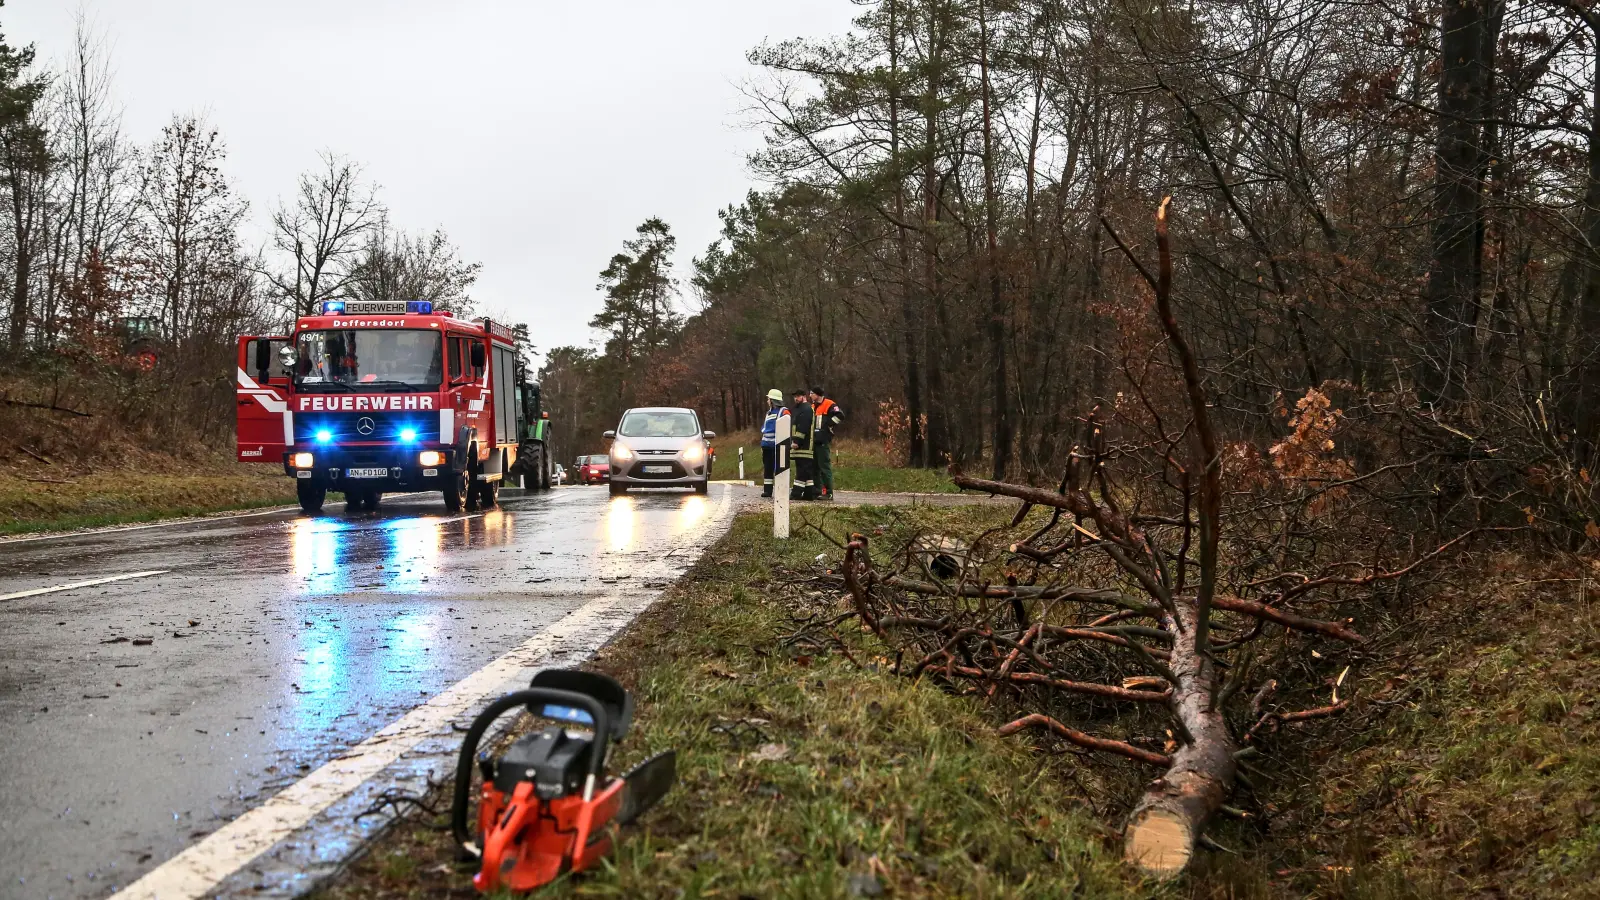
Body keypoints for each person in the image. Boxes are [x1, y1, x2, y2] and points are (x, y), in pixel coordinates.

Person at [809, 387, 842, 501]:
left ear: (817, 394)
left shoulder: (829, 404)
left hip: (822, 440)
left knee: (824, 467)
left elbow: (840, 415)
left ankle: (828, 492)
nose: (810, 396)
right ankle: (817, 491)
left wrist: (828, 424)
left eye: (812, 393)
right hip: (814, 441)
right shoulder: (813, 406)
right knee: (815, 468)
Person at [759, 389, 789, 499]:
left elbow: (786, 425)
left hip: (777, 446)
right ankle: (767, 491)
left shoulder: (783, 411)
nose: (767, 401)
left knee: (779, 469)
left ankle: (781, 489)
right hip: (767, 445)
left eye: (768, 399)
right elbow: (765, 429)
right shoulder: (769, 413)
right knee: (768, 468)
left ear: (773, 400)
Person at [789, 388, 817, 501]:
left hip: (804, 445)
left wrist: (796, 441)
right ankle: (809, 494)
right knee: (807, 471)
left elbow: (803, 427)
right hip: (801, 445)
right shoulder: (799, 409)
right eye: (794, 396)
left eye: (798, 396)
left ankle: (796, 493)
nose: (796, 398)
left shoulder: (806, 409)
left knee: (802, 471)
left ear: (803, 397)